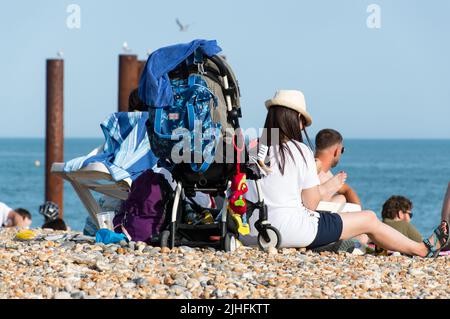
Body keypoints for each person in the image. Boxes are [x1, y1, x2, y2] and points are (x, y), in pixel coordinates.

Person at [244, 90, 448, 257]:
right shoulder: (300, 150)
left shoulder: (251, 148)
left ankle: (326, 244)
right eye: (303, 122)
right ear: (295, 118)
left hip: (258, 230)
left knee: (337, 218)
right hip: (292, 230)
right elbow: (311, 204)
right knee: (367, 218)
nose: (303, 127)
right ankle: (421, 249)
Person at [315, 129, 361, 206]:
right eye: (342, 150)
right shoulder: (317, 173)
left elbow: (346, 189)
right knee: (341, 198)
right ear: (337, 150)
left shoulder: (323, 172)